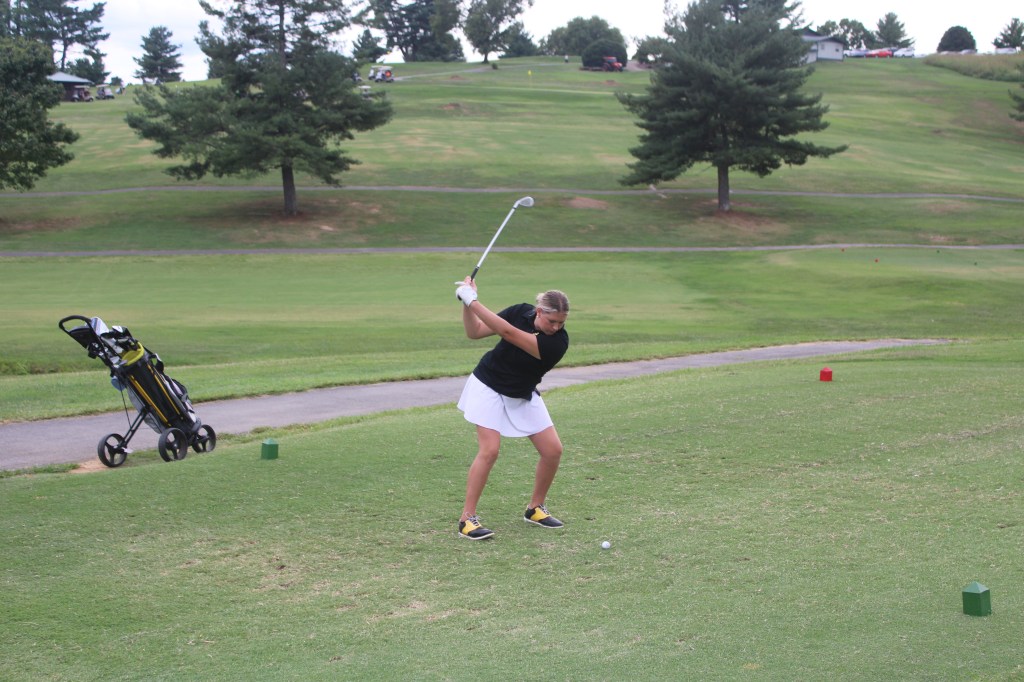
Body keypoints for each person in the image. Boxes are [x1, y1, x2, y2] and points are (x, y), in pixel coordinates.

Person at [453, 277, 571, 540]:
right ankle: (467, 519)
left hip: (521, 392)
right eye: (552, 321)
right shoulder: (520, 312)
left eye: (561, 322)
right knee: (490, 450)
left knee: (552, 450)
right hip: (488, 385)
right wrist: (466, 303)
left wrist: (473, 300)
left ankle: (535, 508)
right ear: (538, 312)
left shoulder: (557, 343)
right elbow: (475, 332)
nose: (556, 327)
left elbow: (508, 333)